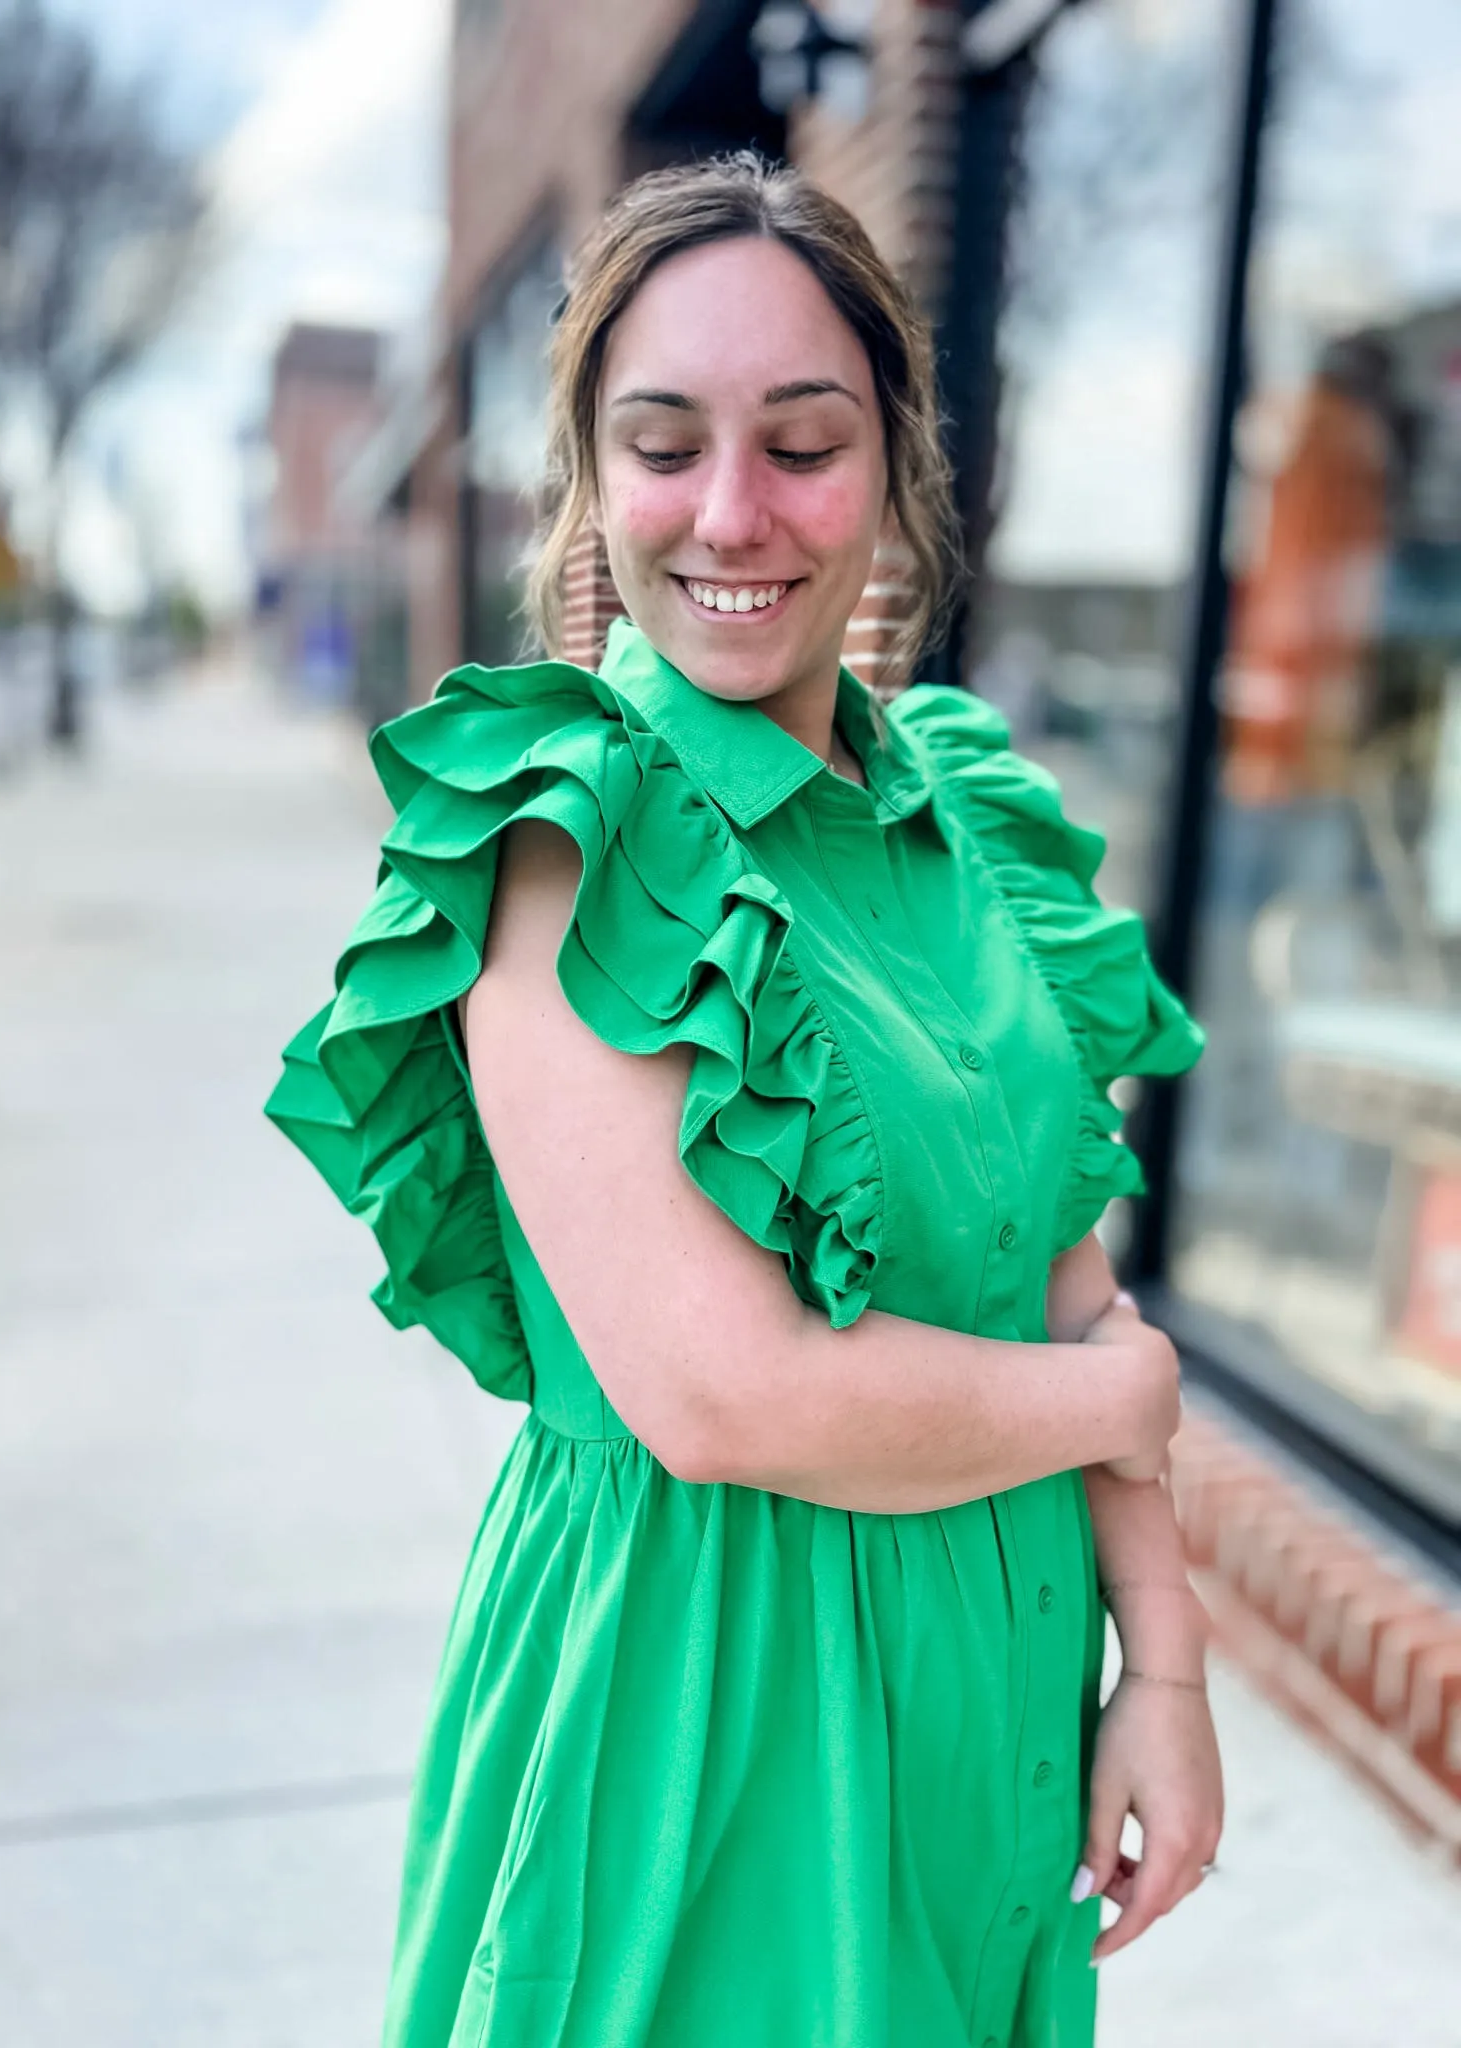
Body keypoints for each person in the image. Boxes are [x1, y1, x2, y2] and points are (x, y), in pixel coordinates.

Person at [267, 154, 1223, 2048]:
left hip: (990, 1706)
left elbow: (1059, 1263)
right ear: (592, 482)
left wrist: (1166, 1664)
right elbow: (728, 1395)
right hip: (710, 1715)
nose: (733, 513)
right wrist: (1120, 1401)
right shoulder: (570, 833)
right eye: (664, 442)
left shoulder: (962, 816)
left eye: (804, 441)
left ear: (896, 469)